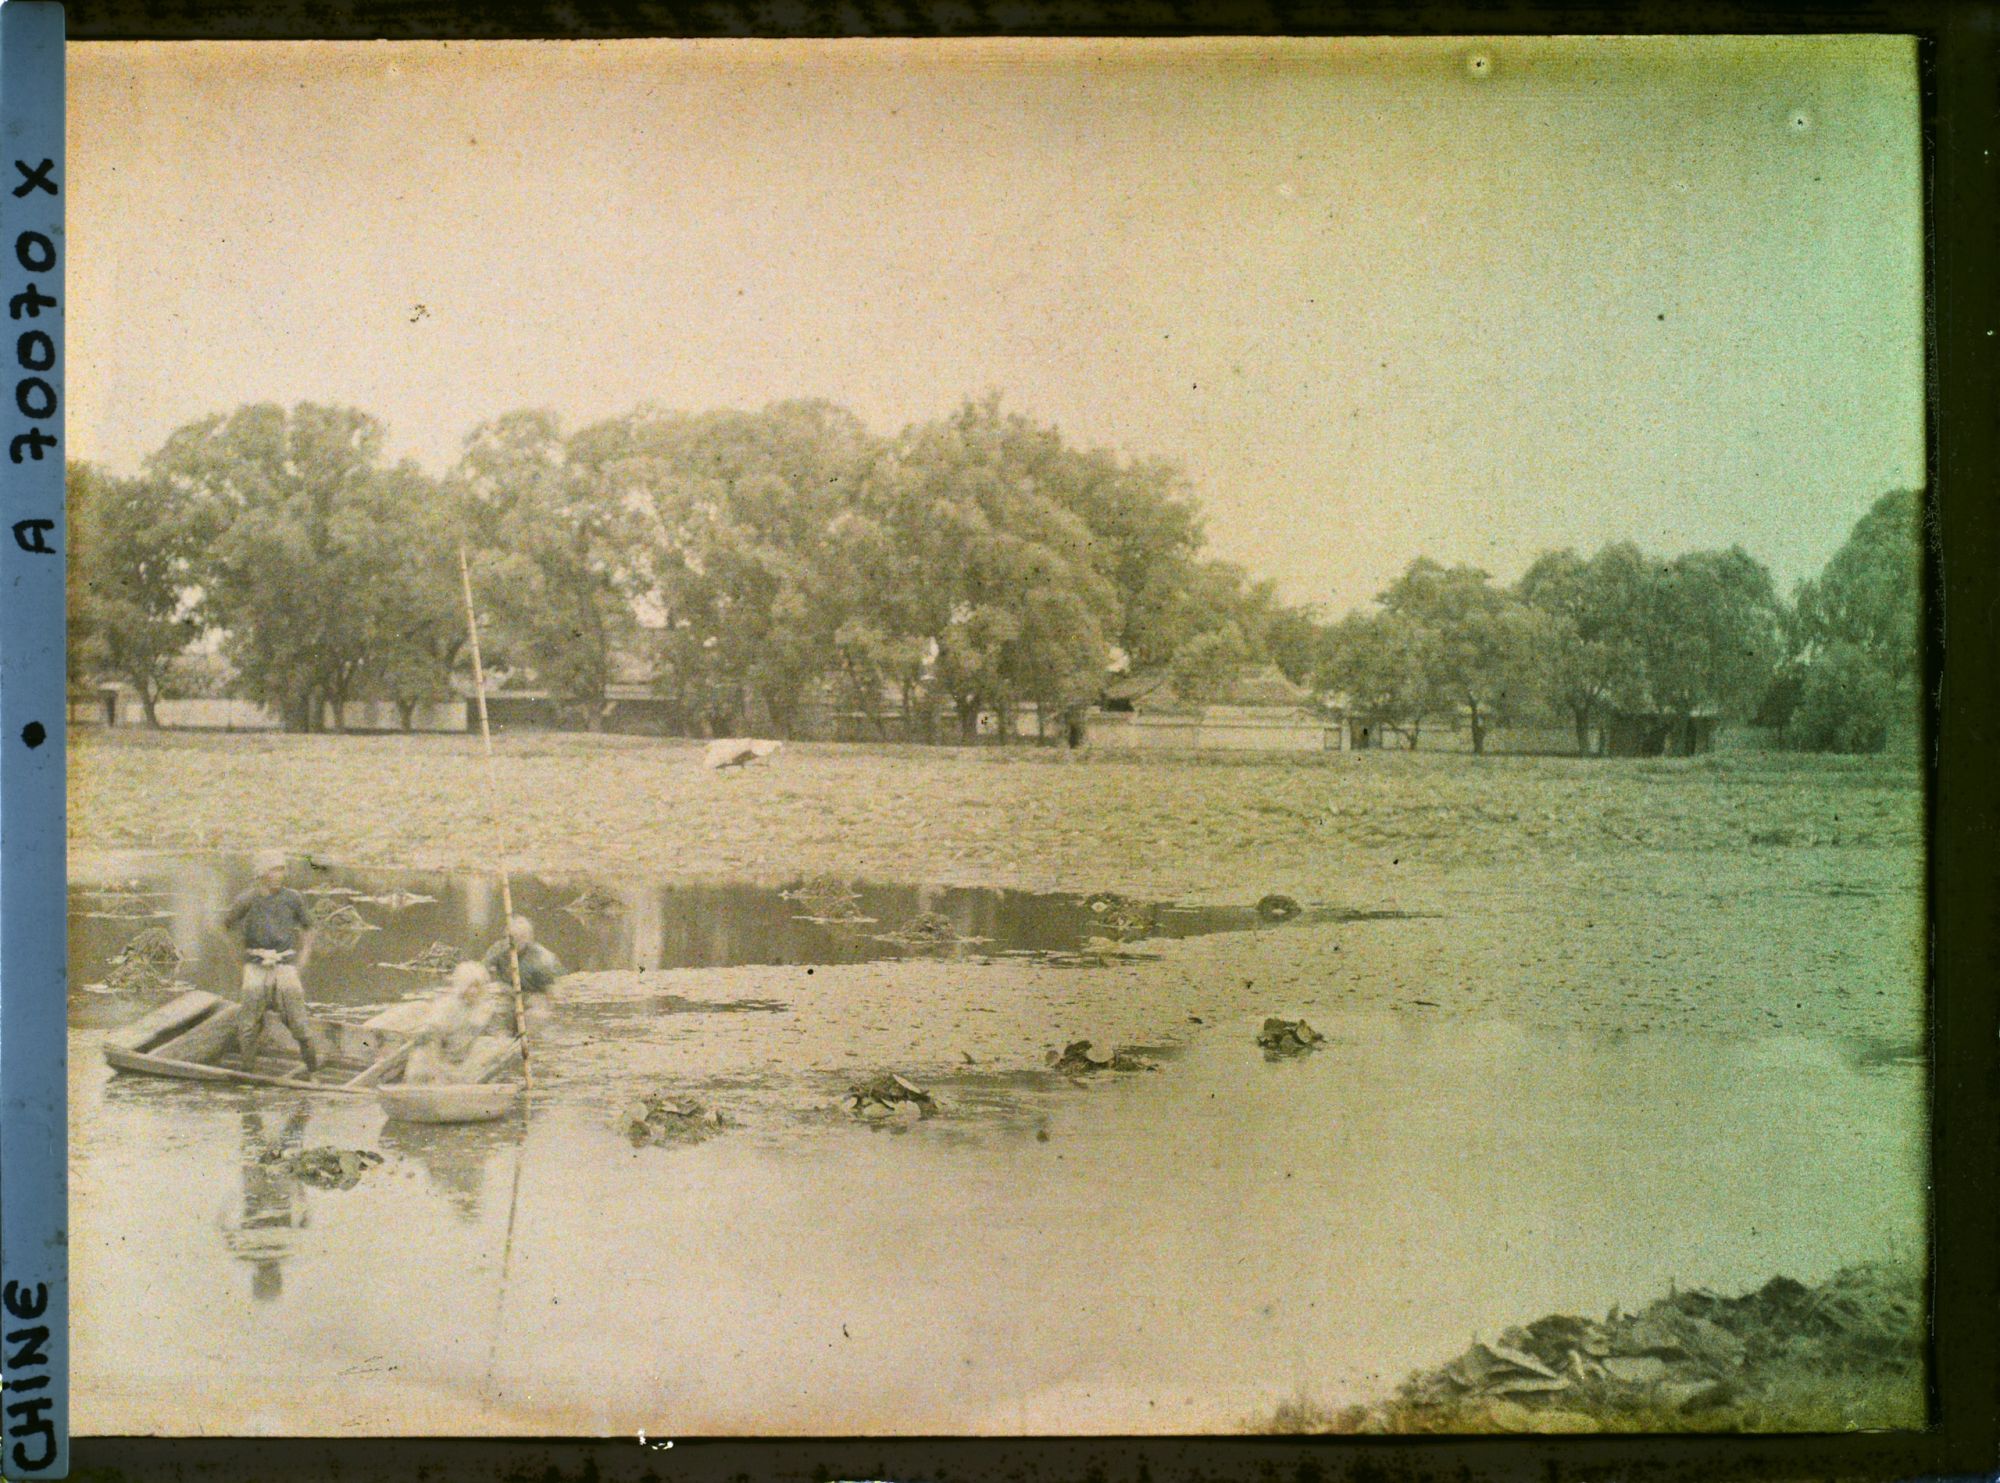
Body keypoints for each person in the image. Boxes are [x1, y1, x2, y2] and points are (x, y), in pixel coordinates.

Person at [222, 849, 321, 1074]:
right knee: (248, 1026)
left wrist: (304, 954)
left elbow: (309, 927)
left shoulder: (292, 898)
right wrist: (240, 960)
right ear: (261, 873)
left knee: (300, 1025)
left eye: (281, 869)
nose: (279, 875)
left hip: (284, 964)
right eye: (274, 870)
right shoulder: (246, 899)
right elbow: (228, 927)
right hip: (255, 965)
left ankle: (314, 1073)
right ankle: (249, 1073)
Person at [403, 961, 501, 1085]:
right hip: (433, 1062)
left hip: (459, 1061)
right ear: (461, 986)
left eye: (478, 986)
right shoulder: (446, 1007)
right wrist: (438, 1072)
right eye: (470, 986)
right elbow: (431, 1042)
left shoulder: (483, 1008)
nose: (473, 991)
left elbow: (492, 1035)